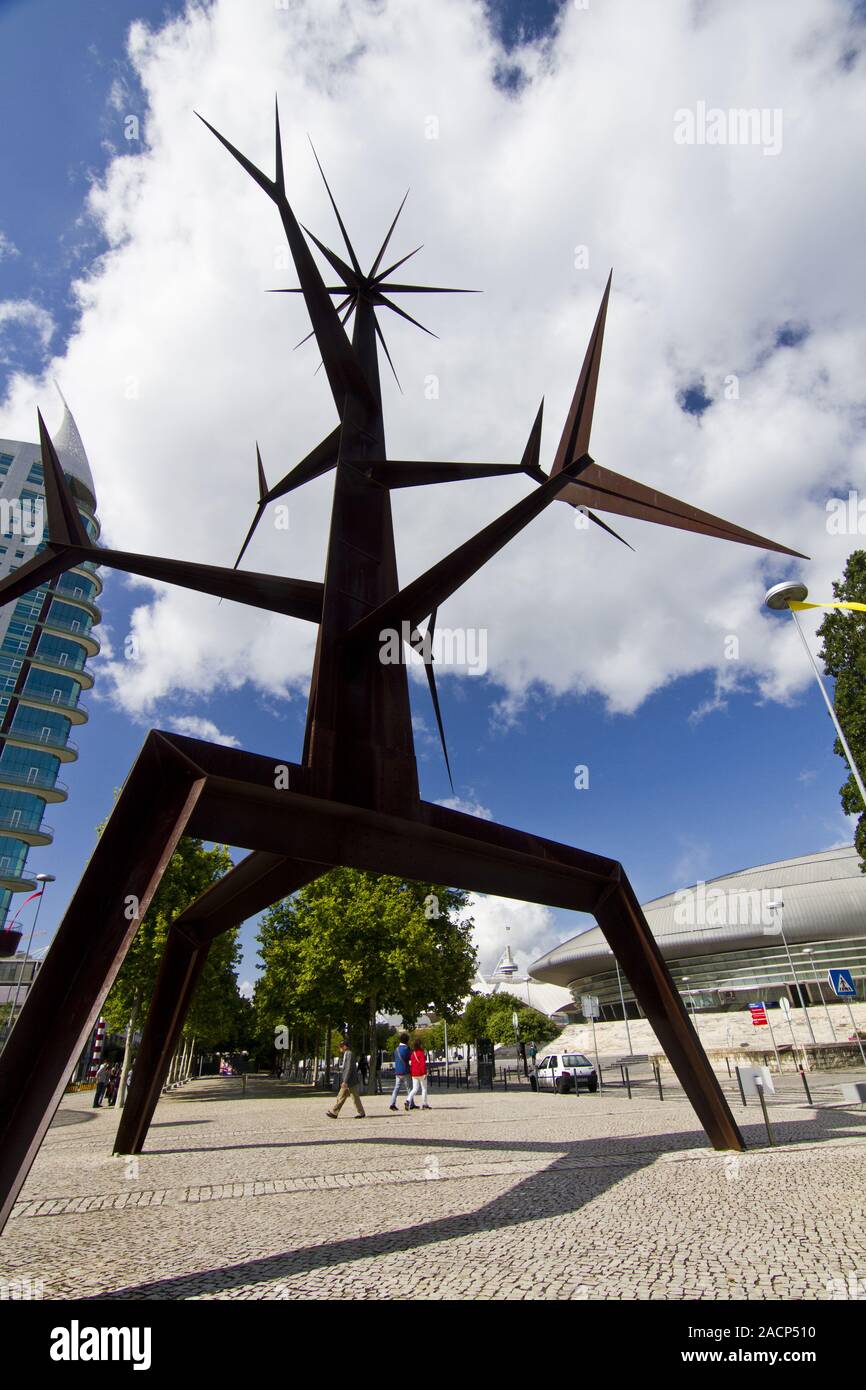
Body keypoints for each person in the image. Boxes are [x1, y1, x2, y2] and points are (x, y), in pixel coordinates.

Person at [326, 1040, 366, 1119]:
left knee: (345, 1097)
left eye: (341, 1046)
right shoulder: (347, 1054)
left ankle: (334, 1112)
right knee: (348, 1097)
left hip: (350, 1081)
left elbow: (348, 1068)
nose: (340, 1048)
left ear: (345, 1046)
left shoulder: (349, 1054)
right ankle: (360, 1113)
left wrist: (345, 1081)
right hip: (350, 1081)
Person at [389, 1032, 414, 1111]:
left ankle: (392, 1103)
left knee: (396, 1088)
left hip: (398, 1072)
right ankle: (411, 1104)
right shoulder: (406, 1049)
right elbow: (410, 1058)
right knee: (409, 1088)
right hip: (405, 1071)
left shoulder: (396, 1049)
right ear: (407, 1040)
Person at [407, 1041, 431, 1110]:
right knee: (424, 1089)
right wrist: (424, 1073)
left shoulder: (412, 1054)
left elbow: (411, 1063)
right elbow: (423, 1064)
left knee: (414, 1089)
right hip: (421, 1073)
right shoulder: (421, 1053)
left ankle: (408, 1100)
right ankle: (424, 1103)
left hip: (414, 1074)